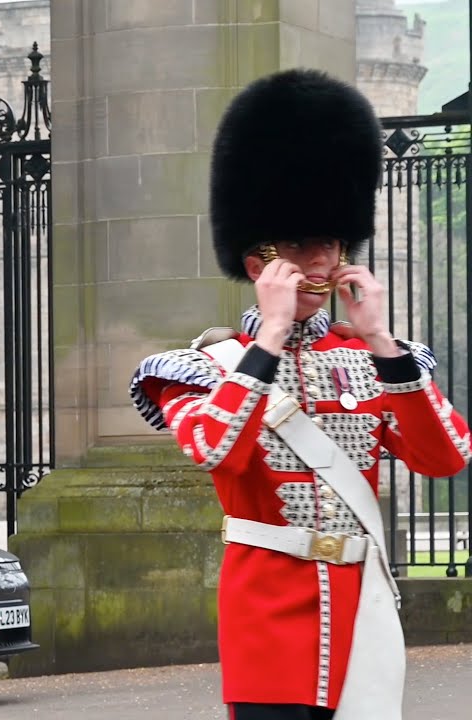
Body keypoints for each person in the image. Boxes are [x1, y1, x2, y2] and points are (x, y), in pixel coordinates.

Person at [130, 68, 472, 720]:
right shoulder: (207, 365)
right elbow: (214, 450)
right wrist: (272, 339)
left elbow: (446, 455)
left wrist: (381, 340)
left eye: (330, 241)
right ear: (259, 260)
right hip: (268, 629)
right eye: (301, 243)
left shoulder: (376, 359)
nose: (321, 258)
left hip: (363, 618)